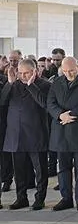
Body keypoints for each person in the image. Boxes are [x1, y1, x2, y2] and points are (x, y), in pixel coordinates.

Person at [46, 56, 78, 211]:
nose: (69, 74)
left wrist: (71, 115)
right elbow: (50, 102)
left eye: (72, 70)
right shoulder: (57, 82)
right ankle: (66, 198)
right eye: (66, 71)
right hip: (61, 130)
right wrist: (60, 115)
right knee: (63, 167)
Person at [1, 59, 51, 210]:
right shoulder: (13, 85)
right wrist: (9, 83)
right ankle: (21, 198)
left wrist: (31, 85)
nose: (23, 76)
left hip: (36, 134)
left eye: (26, 73)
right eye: (20, 73)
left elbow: (45, 104)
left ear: (34, 71)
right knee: (19, 171)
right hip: (16, 135)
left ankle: (40, 198)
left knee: (40, 170)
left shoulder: (45, 85)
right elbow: (2, 102)